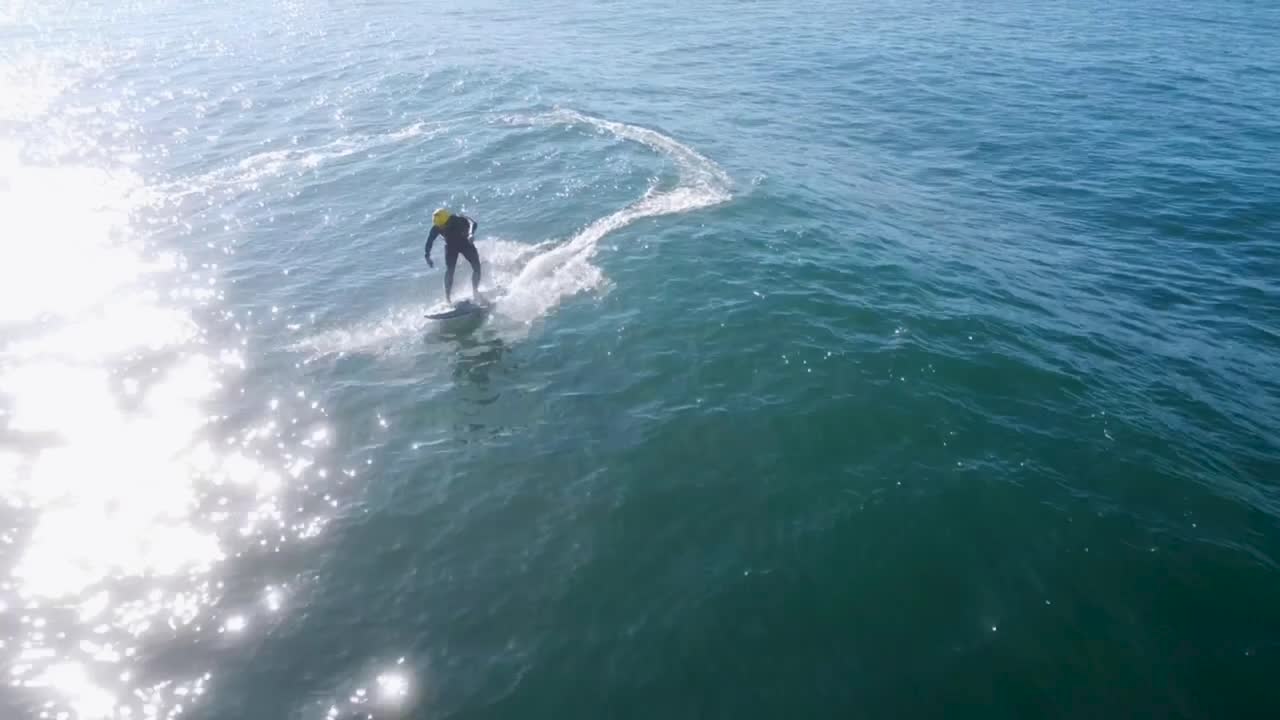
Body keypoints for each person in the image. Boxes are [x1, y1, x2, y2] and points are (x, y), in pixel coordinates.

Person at [424, 208, 482, 304]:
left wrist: (471, 234)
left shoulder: (458, 219)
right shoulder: (437, 226)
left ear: (447, 220)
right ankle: (448, 299)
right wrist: (427, 256)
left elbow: (473, 223)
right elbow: (430, 240)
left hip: (465, 243)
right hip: (451, 247)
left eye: (442, 225)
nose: (441, 228)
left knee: (477, 268)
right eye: (439, 226)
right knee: (450, 271)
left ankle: (475, 291)